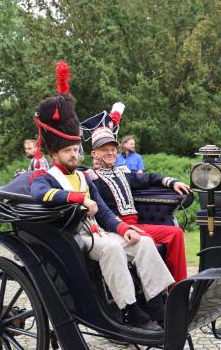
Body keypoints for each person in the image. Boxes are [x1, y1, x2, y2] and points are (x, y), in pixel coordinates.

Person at [29, 62, 173, 330]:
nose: (74, 155)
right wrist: (78, 199)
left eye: (76, 149)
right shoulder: (45, 177)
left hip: (100, 232)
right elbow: (42, 195)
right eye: (68, 151)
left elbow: (105, 213)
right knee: (113, 249)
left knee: (142, 241)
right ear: (55, 155)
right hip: (73, 238)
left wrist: (123, 227)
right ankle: (128, 310)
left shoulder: (84, 177)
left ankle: (156, 303)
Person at [80, 107, 191, 282]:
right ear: (94, 153)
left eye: (113, 149)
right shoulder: (92, 178)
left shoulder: (123, 172)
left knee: (175, 233)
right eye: (104, 149)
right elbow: (101, 214)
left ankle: (178, 288)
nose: (110, 153)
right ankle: (156, 298)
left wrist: (172, 182)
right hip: (114, 229)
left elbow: (149, 177)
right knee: (147, 243)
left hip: (137, 225)